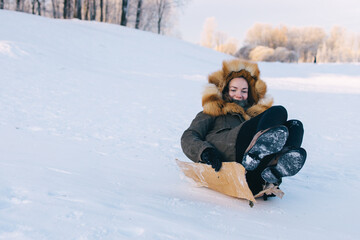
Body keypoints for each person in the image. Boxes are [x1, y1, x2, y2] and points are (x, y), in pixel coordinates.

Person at [181, 59, 307, 196]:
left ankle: (275, 166)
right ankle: (254, 153)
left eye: (244, 91)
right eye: (233, 90)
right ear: (224, 90)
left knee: (295, 125)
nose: (239, 95)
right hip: (227, 148)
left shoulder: (254, 117)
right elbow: (189, 136)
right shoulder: (213, 111)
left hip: (248, 164)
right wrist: (205, 151)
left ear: (250, 93)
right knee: (279, 111)